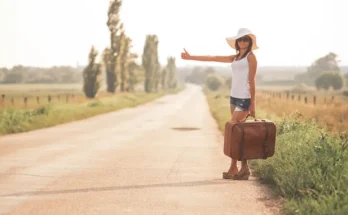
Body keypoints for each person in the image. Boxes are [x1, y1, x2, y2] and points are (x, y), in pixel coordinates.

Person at [181, 28, 258, 180]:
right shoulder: (235, 58)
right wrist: (190, 57)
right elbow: (213, 57)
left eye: (245, 40)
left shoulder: (251, 57)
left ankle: (234, 167)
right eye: (240, 39)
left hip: (244, 98)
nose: (242, 42)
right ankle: (243, 169)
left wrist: (252, 103)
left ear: (250, 42)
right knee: (238, 133)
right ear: (237, 42)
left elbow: (252, 80)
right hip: (234, 97)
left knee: (232, 128)